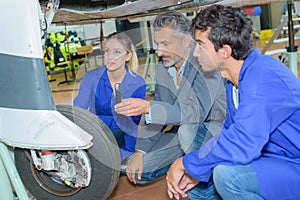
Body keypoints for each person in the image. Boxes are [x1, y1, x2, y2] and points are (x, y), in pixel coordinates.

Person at [166, 4, 300, 200]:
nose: (195, 53)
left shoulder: (263, 75)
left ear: (225, 51)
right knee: (193, 185)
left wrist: (187, 163)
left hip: (293, 163)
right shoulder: (234, 81)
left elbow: (243, 142)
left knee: (227, 177)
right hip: (269, 160)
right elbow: (229, 133)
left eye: (201, 45)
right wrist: (196, 170)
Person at [114, 11, 226, 184]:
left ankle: (208, 176)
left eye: (166, 44)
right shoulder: (163, 68)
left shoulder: (205, 64)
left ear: (185, 41)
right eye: (157, 44)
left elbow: (195, 113)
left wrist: (149, 107)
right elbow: (159, 115)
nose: (159, 52)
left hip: (212, 131)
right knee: (138, 170)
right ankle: (184, 162)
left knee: (187, 131)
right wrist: (139, 152)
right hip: (179, 134)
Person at [73, 32, 146, 161]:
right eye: (107, 51)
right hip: (96, 137)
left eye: (117, 52)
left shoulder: (138, 83)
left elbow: (131, 122)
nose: (110, 57)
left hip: (124, 140)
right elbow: (78, 111)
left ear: (128, 55)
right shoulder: (91, 78)